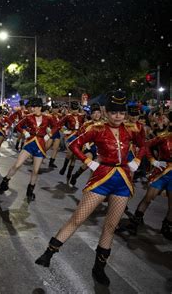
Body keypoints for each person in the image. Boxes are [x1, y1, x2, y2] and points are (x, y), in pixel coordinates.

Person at [35, 91, 145, 286]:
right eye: (113, 112)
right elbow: (74, 143)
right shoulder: (97, 128)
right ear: (106, 111)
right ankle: (48, 253)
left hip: (123, 181)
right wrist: (88, 161)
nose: (118, 116)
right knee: (77, 218)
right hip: (102, 178)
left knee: (111, 226)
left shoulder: (133, 129)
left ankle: (99, 268)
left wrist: (137, 158)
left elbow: (143, 145)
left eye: (121, 112)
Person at [0, 98, 56, 201]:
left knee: (35, 170)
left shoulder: (48, 118)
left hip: (40, 144)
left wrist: (49, 134)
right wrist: (24, 132)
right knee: (17, 164)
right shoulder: (28, 117)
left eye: (34, 107)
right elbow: (18, 126)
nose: (31, 109)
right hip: (29, 143)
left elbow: (57, 126)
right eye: (31, 107)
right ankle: (5, 181)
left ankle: (30, 191)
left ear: (39, 107)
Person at [125, 128, 172, 239]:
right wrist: (153, 161)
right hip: (162, 171)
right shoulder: (164, 136)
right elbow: (145, 145)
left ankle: (166, 227)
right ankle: (135, 222)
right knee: (148, 198)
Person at [68, 103, 103, 187]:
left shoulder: (104, 125)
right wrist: (86, 143)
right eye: (94, 113)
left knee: (94, 170)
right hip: (88, 147)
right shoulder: (86, 124)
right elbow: (80, 135)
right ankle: (76, 175)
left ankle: (88, 188)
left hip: (100, 150)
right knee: (89, 160)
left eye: (98, 112)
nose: (96, 115)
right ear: (91, 115)